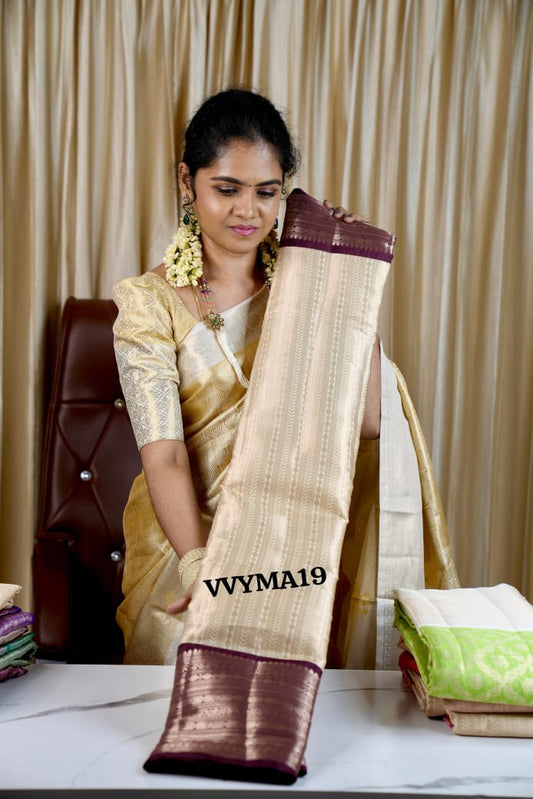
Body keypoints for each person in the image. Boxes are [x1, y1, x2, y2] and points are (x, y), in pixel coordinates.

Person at [113, 88, 458, 668]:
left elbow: (371, 422)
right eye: (227, 189)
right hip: (188, 547)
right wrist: (202, 566)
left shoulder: (307, 289)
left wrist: (347, 279)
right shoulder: (148, 303)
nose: (248, 211)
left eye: (266, 192)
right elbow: (165, 455)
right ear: (186, 182)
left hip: (290, 545)